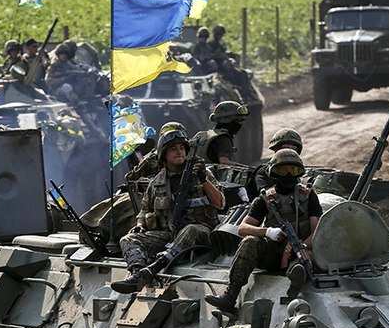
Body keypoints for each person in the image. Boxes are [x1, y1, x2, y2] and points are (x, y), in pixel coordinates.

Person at [205, 149, 322, 313]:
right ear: (274, 172)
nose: (289, 174)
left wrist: (300, 245)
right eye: (283, 170)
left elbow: (317, 232)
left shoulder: (308, 196)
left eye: (293, 170)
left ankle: (295, 283)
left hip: (299, 251)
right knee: (249, 241)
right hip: (273, 252)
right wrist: (267, 232)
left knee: (306, 259)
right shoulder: (266, 198)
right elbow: (243, 228)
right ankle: (230, 296)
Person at [111, 129, 225, 294]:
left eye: (182, 148)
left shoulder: (201, 173)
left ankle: (154, 268)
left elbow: (220, 203)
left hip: (202, 233)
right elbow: (144, 210)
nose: (179, 152)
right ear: (164, 154)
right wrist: (140, 225)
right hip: (170, 234)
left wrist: (203, 179)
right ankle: (137, 274)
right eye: (173, 149)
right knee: (128, 239)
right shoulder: (157, 182)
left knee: (191, 229)